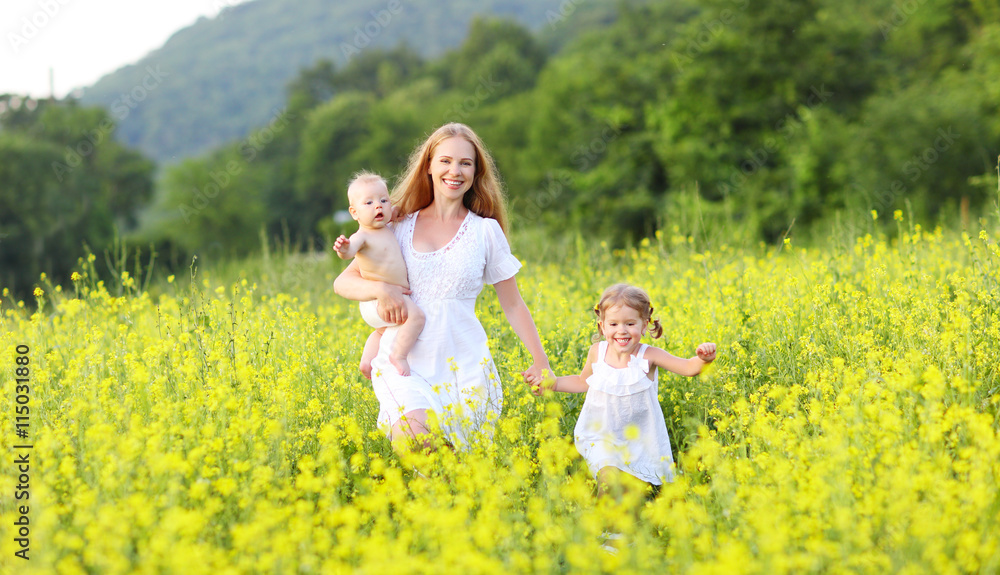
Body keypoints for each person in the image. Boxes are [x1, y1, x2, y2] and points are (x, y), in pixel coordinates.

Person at [333, 122, 550, 450]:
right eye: (445, 161)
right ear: (429, 167)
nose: (455, 170)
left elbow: (513, 304)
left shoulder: (485, 232)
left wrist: (541, 361)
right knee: (417, 441)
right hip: (404, 362)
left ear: (476, 173)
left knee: (457, 475)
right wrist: (381, 290)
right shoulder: (398, 225)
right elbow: (344, 281)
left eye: (466, 163)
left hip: (463, 363)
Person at [533, 283, 716, 495]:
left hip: (640, 439)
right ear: (602, 326)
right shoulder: (598, 352)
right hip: (601, 435)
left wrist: (704, 359)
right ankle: (609, 528)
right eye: (613, 324)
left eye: (630, 323)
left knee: (634, 492)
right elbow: (583, 381)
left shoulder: (649, 355)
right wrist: (553, 383)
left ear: (644, 325)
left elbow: (687, 368)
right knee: (608, 478)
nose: (621, 330)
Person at [333, 171, 424, 377]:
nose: (378, 206)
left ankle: (366, 363)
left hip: (376, 306)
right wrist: (343, 247)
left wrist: (397, 210)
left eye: (383, 200)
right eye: (369, 203)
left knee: (381, 331)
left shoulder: (387, 228)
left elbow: (397, 212)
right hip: (383, 298)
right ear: (354, 213)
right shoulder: (362, 236)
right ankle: (398, 356)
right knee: (417, 317)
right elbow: (349, 252)